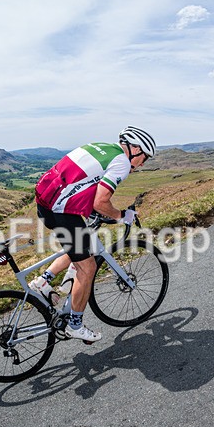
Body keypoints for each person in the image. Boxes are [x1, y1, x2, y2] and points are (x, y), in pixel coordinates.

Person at [30, 126, 156, 343]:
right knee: (87, 267)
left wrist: (91, 211)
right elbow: (101, 201)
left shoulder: (101, 146)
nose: (142, 164)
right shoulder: (122, 163)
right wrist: (121, 216)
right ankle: (75, 325)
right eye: (144, 157)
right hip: (61, 211)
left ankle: (44, 281)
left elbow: (81, 181)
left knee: (81, 246)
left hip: (46, 202)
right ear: (135, 149)